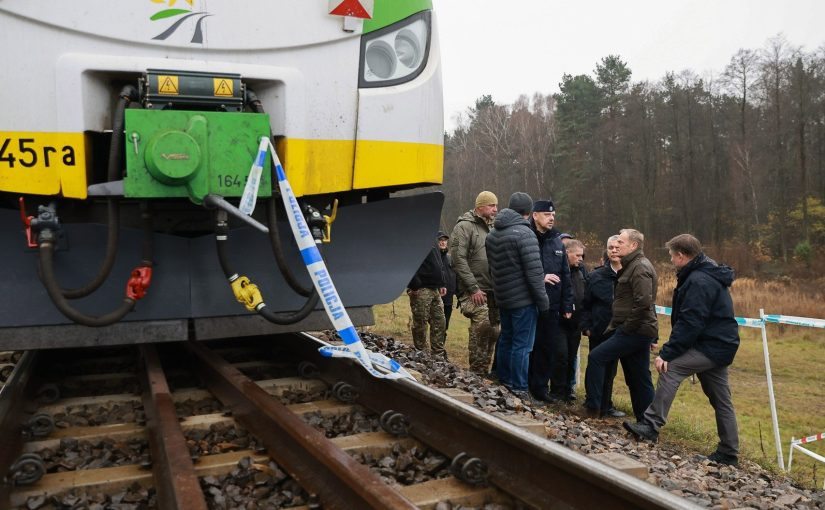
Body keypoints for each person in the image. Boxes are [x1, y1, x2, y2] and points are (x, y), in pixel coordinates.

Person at [624, 234, 740, 466]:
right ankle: (729, 452)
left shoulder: (698, 280)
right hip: (719, 343)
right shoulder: (704, 272)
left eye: (671, 255)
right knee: (721, 399)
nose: (670, 260)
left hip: (711, 345)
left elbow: (690, 322)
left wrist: (667, 353)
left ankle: (650, 425)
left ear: (681, 255)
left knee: (671, 368)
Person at [584, 228, 657, 420]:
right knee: (638, 377)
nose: (616, 245)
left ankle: (593, 410)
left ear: (633, 245)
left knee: (597, 357)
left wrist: (626, 328)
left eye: (621, 242)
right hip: (636, 330)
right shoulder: (631, 265)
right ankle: (646, 422)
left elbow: (644, 303)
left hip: (635, 331)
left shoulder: (640, 267)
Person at [485, 192, 549, 403]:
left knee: (506, 339)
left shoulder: (493, 234)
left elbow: (492, 269)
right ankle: (519, 388)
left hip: (503, 297)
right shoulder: (525, 234)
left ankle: (504, 380)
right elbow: (534, 273)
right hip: (523, 300)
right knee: (522, 345)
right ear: (528, 211)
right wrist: (543, 302)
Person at [450, 191, 501, 375]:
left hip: (493, 290)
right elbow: (458, 259)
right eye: (491, 205)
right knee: (482, 327)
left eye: (496, 205)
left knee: (494, 331)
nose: (495, 209)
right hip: (474, 290)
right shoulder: (464, 226)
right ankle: (476, 373)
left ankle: (484, 372)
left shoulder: (494, 227)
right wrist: (473, 288)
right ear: (480, 206)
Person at [528, 199, 573, 402]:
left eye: (553, 215)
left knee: (546, 348)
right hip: (530, 302)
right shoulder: (527, 236)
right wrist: (541, 278)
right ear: (535, 215)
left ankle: (540, 389)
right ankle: (523, 385)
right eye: (547, 215)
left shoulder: (556, 240)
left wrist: (567, 304)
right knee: (529, 346)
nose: (551, 218)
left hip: (552, 305)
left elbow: (565, 274)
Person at [580, 236, 625, 418]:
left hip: (622, 331)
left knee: (611, 371)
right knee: (596, 367)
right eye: (610, 247)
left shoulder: (632, 274)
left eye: (617, 247)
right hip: (599, 330)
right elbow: (585, 304)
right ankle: (593, 405)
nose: (613, 250)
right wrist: (586, 326)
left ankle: (606, 406)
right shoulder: (595, 276)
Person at [407, 239, 448, 357]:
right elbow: (408, 261)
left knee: (440, 321)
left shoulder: (432, 238)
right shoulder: (415, 237)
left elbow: (439, 262)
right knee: (420, 322)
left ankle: (438, 354)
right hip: (421, 288)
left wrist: (442, 283)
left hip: (435, 288)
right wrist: (414, 285)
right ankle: (421, 353)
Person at [558, 239, 587, 402]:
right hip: (560, 322)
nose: (581, 259)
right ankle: (557, 390)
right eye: (578, 255)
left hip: (576, 324)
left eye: (582, 256)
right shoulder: (559, 271)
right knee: (561, 356)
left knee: (571, 357)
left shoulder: (581, 271)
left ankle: (569, 390)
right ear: (567, 253)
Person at [437, 231, 457, 330]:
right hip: (435, 297)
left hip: (448, 299)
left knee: (445, 325)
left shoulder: (450, 258)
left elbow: (456, 276)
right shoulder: (432, 257)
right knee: (435, 325)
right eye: (440, 240)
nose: (443, 242)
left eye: (445, 240)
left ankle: (442, 340)